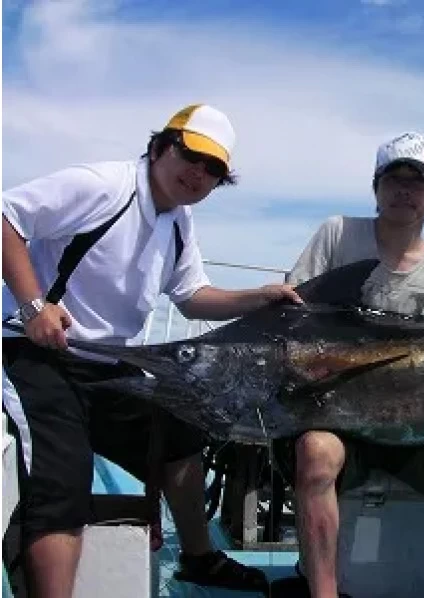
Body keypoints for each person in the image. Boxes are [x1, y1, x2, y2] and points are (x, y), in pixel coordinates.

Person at [1, 103, 302, 598]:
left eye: (213, 170)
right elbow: (6, 215)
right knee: (63, 485)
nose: (198, 174)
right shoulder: (102, 186)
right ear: (160, 147)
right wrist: (35, 307)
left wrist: (259, 297)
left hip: (110, 364)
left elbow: (192, 297)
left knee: (181, 437)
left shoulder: (180, 224)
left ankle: (200, 559)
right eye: (191, 156)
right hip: (40, 354)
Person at [270, 132, 424, 598]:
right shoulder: (337, 234)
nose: (405, 191)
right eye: (395, 179)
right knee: (314, 452)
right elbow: (290, 319)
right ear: (376, 186)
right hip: (341, 422)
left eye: (419, 182)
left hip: (418, 434)